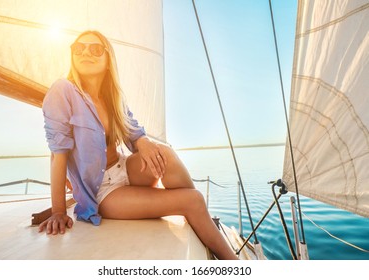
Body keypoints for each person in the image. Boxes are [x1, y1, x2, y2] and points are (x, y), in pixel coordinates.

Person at [38, 30, 237, 260]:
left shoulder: (113, 97)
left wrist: (144, 142)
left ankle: (200, 219)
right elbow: (57, 154)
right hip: (103, 191)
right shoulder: (62, 90)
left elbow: (133, 131)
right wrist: (59, 211)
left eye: (94, 49)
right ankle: (232, 264)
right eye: (78, 48)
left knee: (166, 154)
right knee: (193, 200)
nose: (85, 53)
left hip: (123, 168)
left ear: (107, 60)